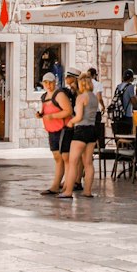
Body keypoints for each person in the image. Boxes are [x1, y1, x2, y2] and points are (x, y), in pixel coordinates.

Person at [60, 71, 100, 199]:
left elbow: (79, 116)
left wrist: (71, 122)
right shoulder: (94, 98)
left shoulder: (81, 97)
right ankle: (87, 191)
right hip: (92, 131)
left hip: (81, 130)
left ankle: (68, 192)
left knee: (73, 162)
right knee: (88, 163)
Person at [38, 71, 75, 196]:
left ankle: (67, 186)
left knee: (66, 158)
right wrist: (40, 115)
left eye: (50, 82)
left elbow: (68, 111)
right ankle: (56, 185)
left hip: (63, 129)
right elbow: (45, 111)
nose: (48, 85)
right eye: (46, 83)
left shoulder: (59, 95)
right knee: (57, 158)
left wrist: (53, 116)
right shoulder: (44, 97)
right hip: (52, 130)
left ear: (55, 83)